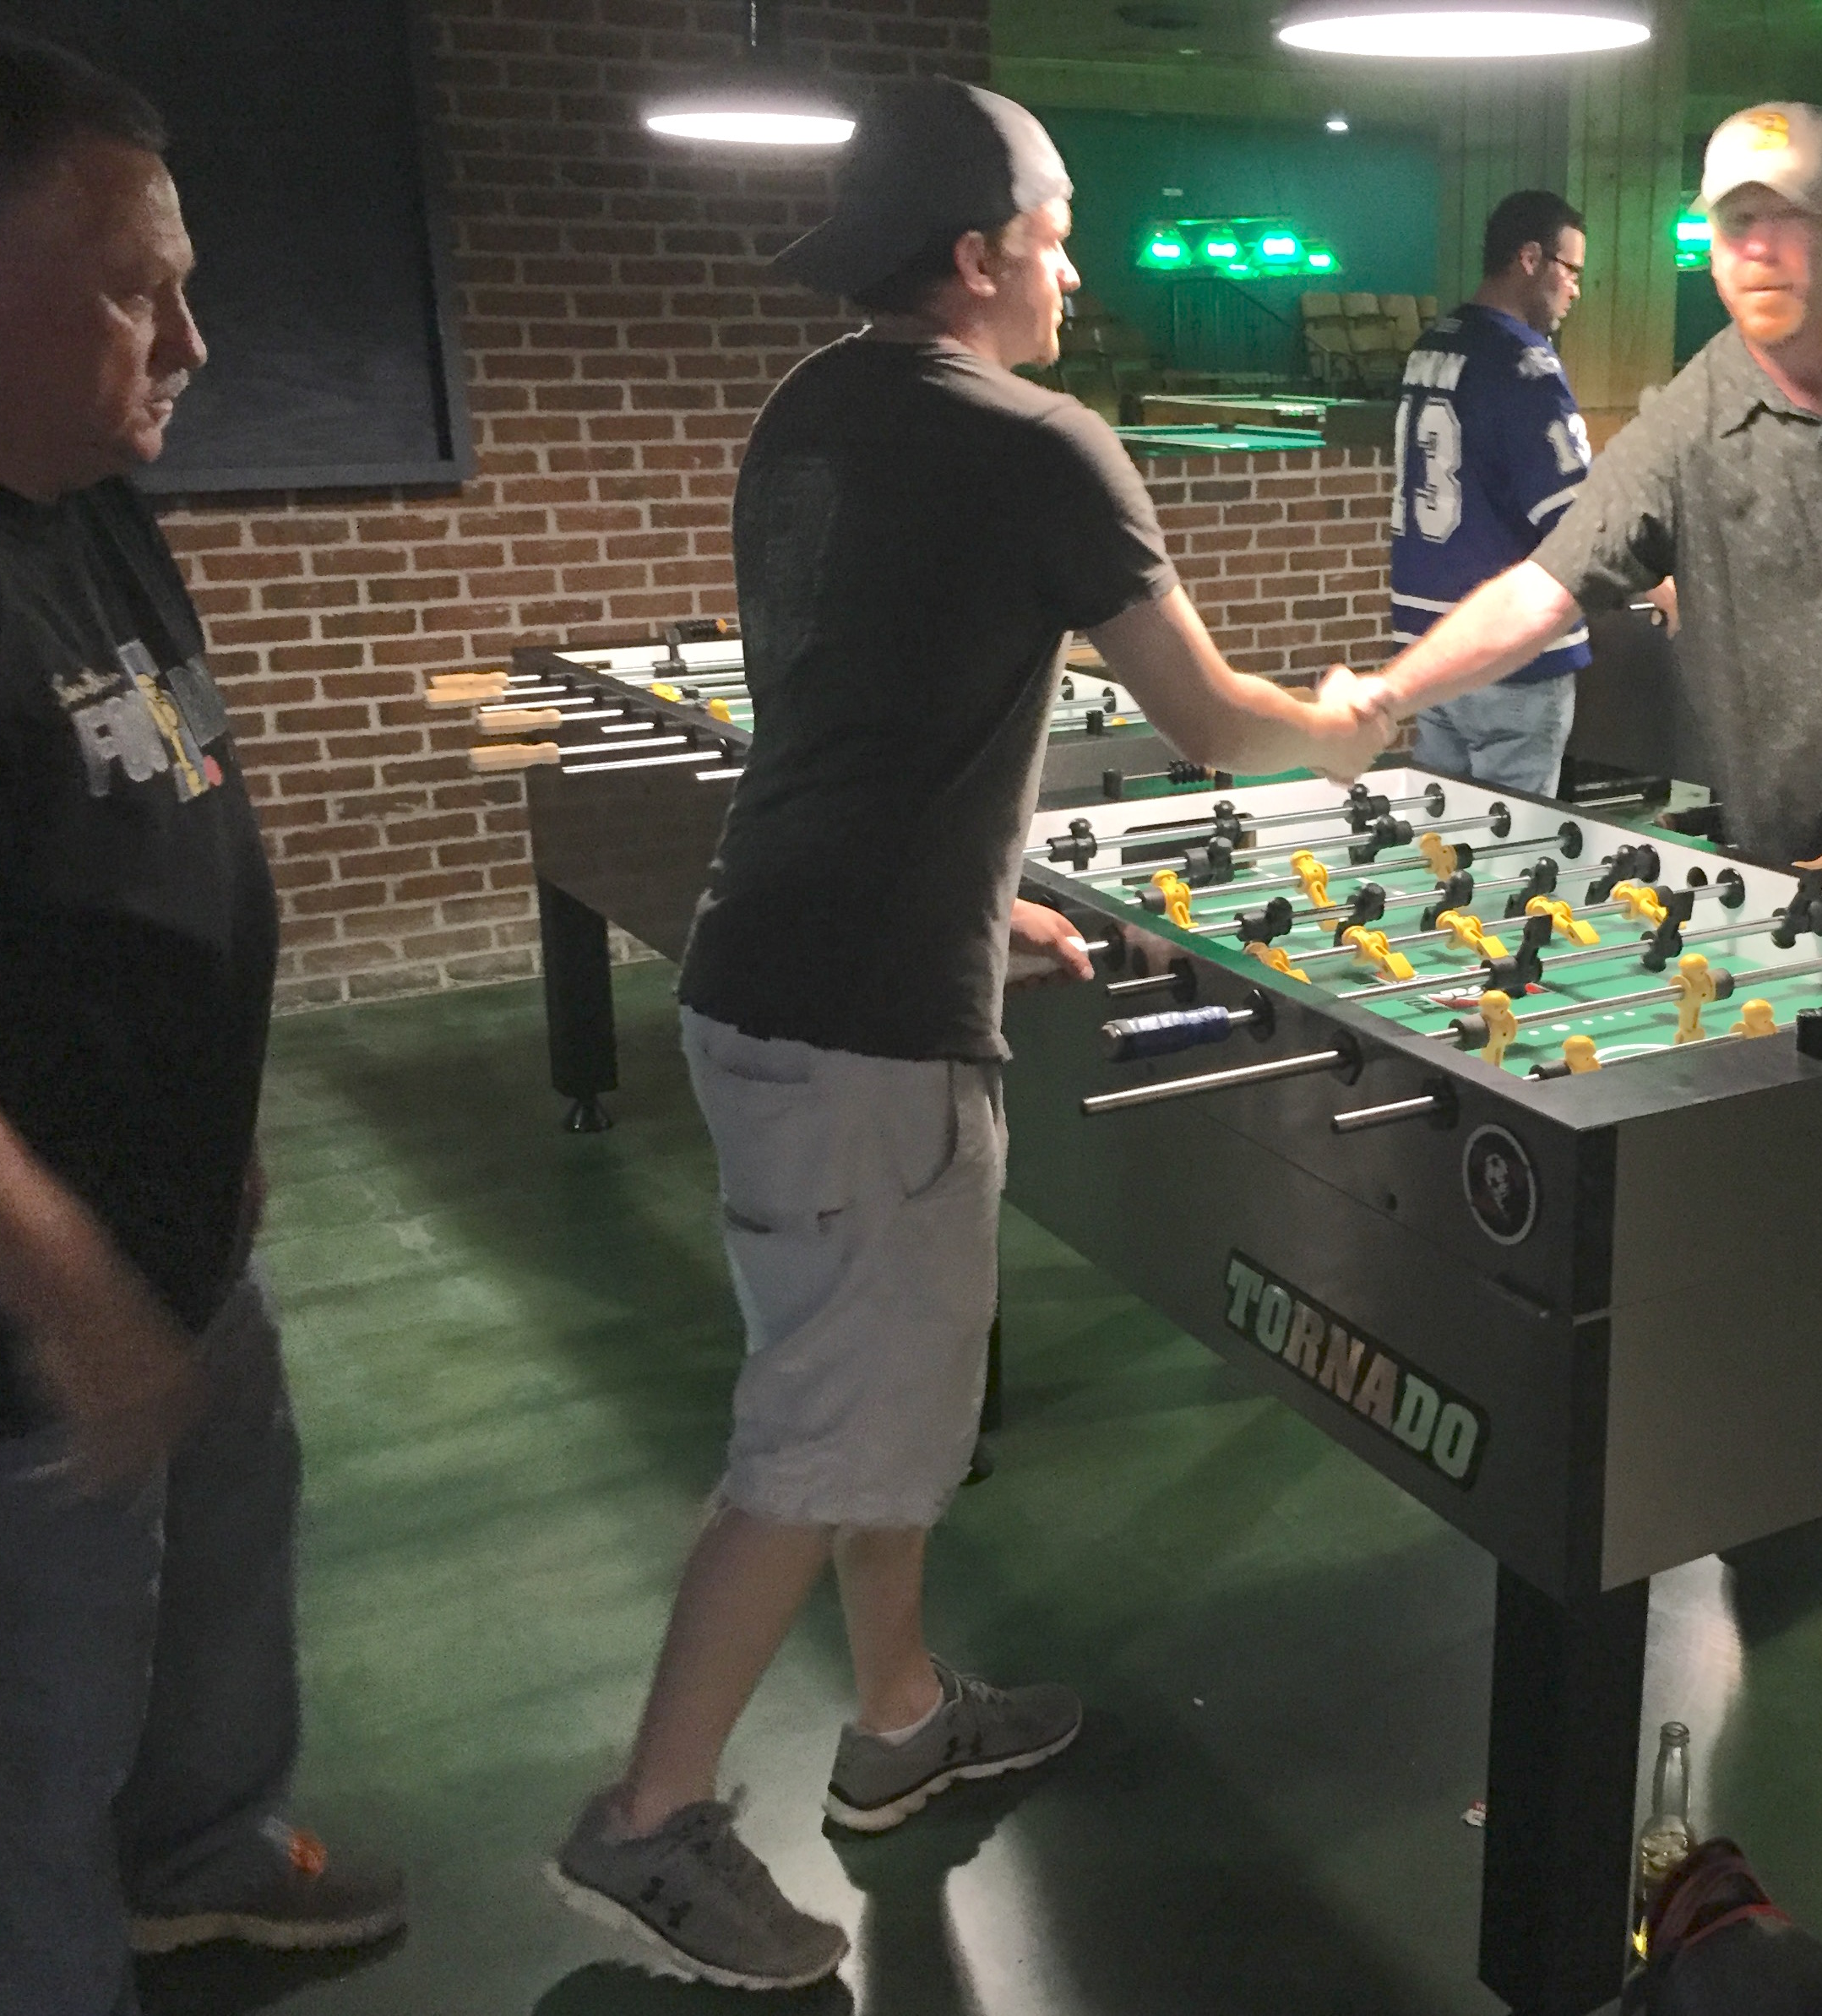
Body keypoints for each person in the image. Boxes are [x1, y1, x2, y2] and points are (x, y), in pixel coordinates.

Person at [548, 81, 1390, 1989]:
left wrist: (967, 898)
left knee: (884, 1401)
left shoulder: (811, 412)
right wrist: (1341, 722)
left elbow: (857, 702)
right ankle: (649, 1820)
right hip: (859, 1025)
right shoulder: (1040, 442)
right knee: (821, 1431)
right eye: (1062, 223)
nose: (1080, 259)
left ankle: (905, 1713)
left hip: (780, 961)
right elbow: (1209, 724)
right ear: (979, 251)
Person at [0, 32, 405, 2015]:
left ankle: (206, 1854)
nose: (193, 336)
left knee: (219, 1600)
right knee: (20, 1761)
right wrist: (64, 1291)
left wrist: (216, 1137)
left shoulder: (91, 502)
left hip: (178, 1242)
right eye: (141, 282)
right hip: (5, 1347)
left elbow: (166, 813)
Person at [1352, 102, 1822, 899]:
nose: (1757, 248)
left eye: (1790, 219)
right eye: (1737, 220)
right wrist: (1386, 694)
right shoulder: (1686, 423)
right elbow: (1540, 592)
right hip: (1795, 870)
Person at [1392, 189, 1594, 795]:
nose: (1576, 290)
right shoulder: (1525, 363)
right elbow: (1581, 521)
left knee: (1441, 838)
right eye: (1571, 270)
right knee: (1513, 860)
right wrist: (1661, 585)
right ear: (1530, 259)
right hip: (1514, 656)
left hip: (1431, 644)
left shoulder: (1432, 344)